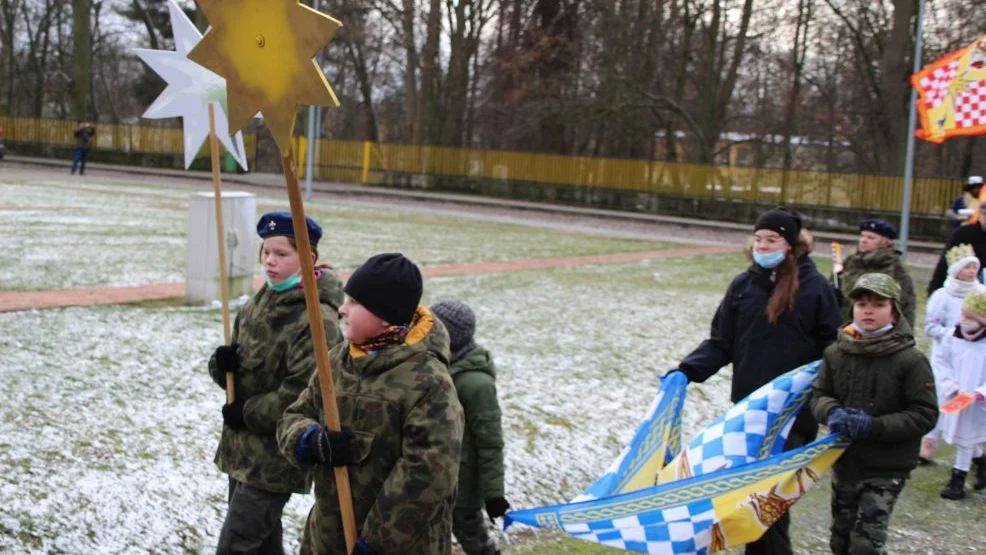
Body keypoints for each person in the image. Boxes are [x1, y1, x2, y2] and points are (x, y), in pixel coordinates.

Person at [671, 206, 843, 555]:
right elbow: (722, 342)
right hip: (748, 415)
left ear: (791, 245)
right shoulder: (743, 286)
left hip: (792, 414)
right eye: (759, 239)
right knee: (754, 503)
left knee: (768, 504)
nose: (763, 246)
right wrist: (686, 371)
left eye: (772, 240)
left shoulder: (814, 289)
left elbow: (834, 348)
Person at [277, 252, 464, 554]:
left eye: (353, 303)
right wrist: (310, 441)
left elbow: (428, 474)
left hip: (393, 546)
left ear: (384, 315)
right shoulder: (338, 360)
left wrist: (377, 542)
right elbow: (294, 415)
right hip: (327, 537)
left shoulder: (429, 382)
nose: (341, 309)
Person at [208, 211, 344, 554]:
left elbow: (303, 392)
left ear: (308, 258)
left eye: (281, 254)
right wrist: (221, 364)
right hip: (241, 449)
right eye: (266, 252)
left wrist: (246, 413)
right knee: (263, 542)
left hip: (275, 456)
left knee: (237, 544)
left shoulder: (316, 318)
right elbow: (236, 373)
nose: (270, 261)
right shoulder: (258, 302)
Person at [811, 273, 937, 555]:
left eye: (878, 304)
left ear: (893, 310)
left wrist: (875, 426)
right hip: (845, 462)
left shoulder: (911, 360)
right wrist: (831, 412)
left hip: (887, 465)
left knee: (866, 544)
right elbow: (818, 395)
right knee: (840, 541)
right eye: (862, 304)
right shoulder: (837, 352)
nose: (868, 310)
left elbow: (924, 414)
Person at [430, 300, 509, 555]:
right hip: (436, 478)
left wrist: (494, 494)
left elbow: (491, 442)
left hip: (462, 487)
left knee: (476, 543)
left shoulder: (476, 384)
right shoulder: (438, 368)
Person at [921, 244, 983, 463]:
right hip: (946, 355)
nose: (972, 272)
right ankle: (929, 440)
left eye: (974, 267)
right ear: (956, 270)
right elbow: (930, 326)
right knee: (941, 397)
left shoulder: (980, 293)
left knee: (967, 400)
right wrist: (953, 334)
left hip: (972, 356)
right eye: (967, 268)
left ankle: (972, 448)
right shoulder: (942, 296)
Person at [933, 290, 986, 500]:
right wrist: (949, 384)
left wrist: (980, 393)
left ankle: (958, 479)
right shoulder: (951, 336)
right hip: (955, 396)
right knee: (960, 437)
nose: (965, 322)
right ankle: (981, 460)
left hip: (976, 402)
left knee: (965, 438)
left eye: (971, 319)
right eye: (964, 316)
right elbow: (940, 361)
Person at [832, 218, 916, 326]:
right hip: (845, 328)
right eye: (862, 236)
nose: (864, 240)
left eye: (871, 238)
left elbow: (904, 307)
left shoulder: (895, 269)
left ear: (885, 242)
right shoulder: (850, 262)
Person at [929, 202, 986, 294]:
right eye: (985, 215)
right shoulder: (963, 233)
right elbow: (944, 263)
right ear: (980, 215)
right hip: (960, 289)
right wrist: (934, 290)